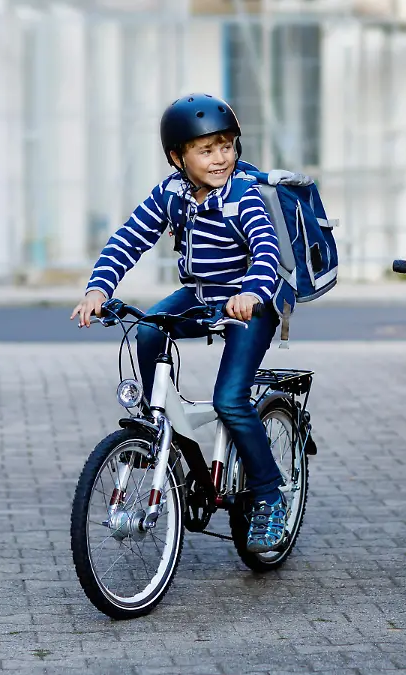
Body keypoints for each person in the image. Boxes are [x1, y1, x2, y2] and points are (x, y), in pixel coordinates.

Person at [70, 93, 289, 552]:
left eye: (226, 146)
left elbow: (267, 250)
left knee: (231, 399)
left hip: (252, 301)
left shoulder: (243, 196)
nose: (220, 158)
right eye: (206, 150)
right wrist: (98, 289)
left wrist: (251, 293)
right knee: (148, 327)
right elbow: (129, 238)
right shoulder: (171, 195)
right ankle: (159, 420)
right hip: (200, 294)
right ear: (177, 157)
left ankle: (269, 496)